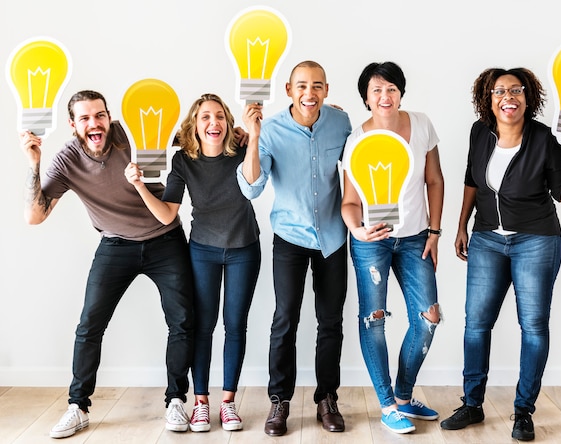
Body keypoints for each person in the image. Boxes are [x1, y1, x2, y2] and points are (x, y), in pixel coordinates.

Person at [19, 90, 195, 438]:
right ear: (72, 125)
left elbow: (191, 137)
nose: (93, 124)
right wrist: (34, 164)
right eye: (84, 118)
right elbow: (34, 216)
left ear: (109, 116)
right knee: (89, 324)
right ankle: (78, 406)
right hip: (115, 244)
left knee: (183, 321)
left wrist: (240, 132)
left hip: (165, 238)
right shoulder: (67, 159)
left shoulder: (130, 132)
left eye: (99, 115)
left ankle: (176, 400)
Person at [439, 68, 561, 441]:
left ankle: (523, 411)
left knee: (533, 326)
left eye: (516, 90)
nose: (508, 97)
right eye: (499, 91)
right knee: (476, 324)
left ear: (528, 97)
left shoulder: (545, 139)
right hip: (487, 240)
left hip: (536, 241)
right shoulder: (480, 132)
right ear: (488, 98)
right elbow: (471, 180)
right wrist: (462, 225)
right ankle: (472, 404)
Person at [125, 93, 261, 433]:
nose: (213, 122)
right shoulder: (184, 161)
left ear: (229, 123)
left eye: (219, 116)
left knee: (235, 325)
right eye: (205, 117)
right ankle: (201, 403)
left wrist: (253, 136)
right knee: (203, 326)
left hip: (245, 248)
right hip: (203, 250)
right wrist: (140, 185)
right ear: (195, 126)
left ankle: (228, 403)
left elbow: (254, 185)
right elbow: (168, 211)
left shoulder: (244, 150)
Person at [237, 60, 352, 436]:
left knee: (330, 322)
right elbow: (251, 187)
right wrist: (253, 137)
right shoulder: (269, 130)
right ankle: (279, 400)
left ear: (327, 90)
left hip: (333, 238)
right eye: (302, 86)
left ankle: (326, 398)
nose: (309, 93)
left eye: (317, 85)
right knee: (285, 320)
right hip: (290, 237)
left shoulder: (341, 123)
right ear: (288, 89)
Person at [341, 61, 444, 434]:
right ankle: (387, 405)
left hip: (416, 237)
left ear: (401, 92)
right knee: (375, 320)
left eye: (391, 89)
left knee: (428, 317)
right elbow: (349, 203)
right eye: (376, 91)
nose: (385, 96)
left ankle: (403, 396)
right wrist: (357, 229)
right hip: (373, 243)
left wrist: (434, 231)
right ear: (366, 99)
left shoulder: (421, 124)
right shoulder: (357, 140)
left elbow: (434, 180)